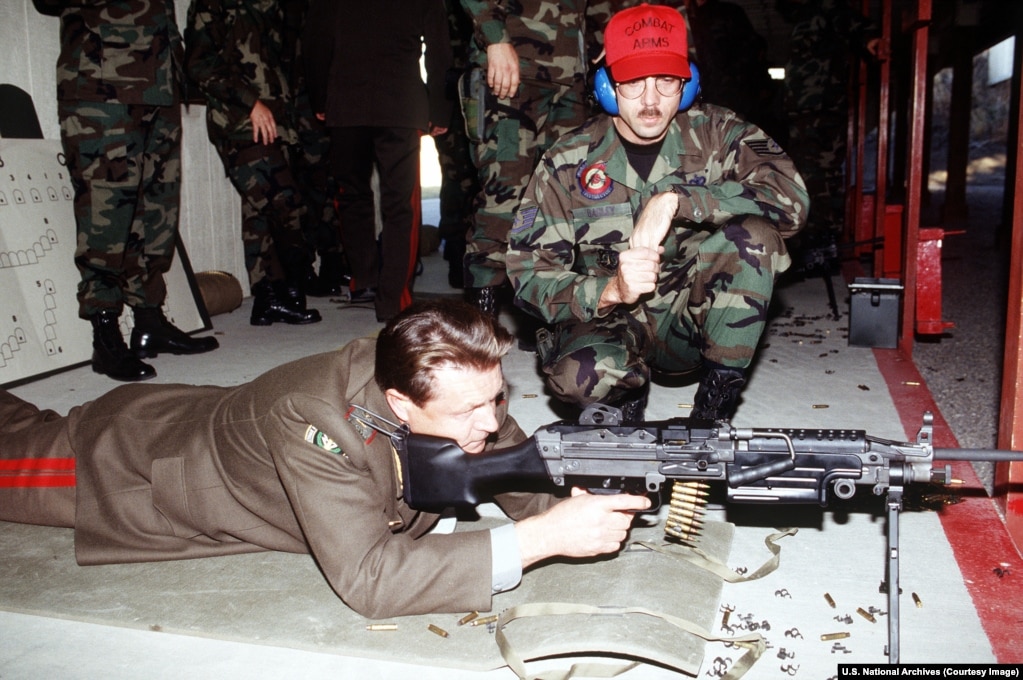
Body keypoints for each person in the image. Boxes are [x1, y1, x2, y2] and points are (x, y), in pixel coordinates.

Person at [0, 299, 648, 618]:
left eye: (497, 398)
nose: (493, 420)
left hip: (207, 415)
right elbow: (369, 580)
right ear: (398, 401)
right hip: (130, 465)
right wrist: (535, 539)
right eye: (470, 412)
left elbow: (508, 464)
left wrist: (570, 509)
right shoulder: (313, 421)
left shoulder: (458, 387)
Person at [505, 3, 809, 422]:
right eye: (633, 81)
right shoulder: (568, 160)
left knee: (754, 237)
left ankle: (713, 410)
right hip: (611, 322)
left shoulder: (719, 134)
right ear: (608, 86)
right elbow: (526, 275)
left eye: (666, 80)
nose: (651, 100)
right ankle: (623, 398)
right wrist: (611, 291)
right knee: (578, 377)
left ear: (687, 83)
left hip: (694, 321)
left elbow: (791, 201)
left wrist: (678, 200)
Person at [31, 0, 219, 382]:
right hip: (102, 83)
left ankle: (149, 320)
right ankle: (104, 332)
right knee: (106, 210)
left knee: (157, 210)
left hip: (161, 82)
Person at [459, 0, 613, 318]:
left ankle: (545, 311)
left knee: (569, 197)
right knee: (503, 196)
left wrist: (610, 34)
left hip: (571, 77)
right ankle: (479, 323)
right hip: (511, 71)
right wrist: (495, 37)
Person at [303, 0, 453, 323]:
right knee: (400, 205)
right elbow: (440, 48)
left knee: (351, 194)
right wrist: (440, 108)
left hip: (346, 104)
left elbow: (315, 41)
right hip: (399, 105)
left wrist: (319, 97)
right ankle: (393, 299)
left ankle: (366, 281)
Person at [186, 0, 322, 327]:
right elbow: (200, 62)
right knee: (284, 203)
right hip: (239, 122)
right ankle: (286, 287)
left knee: (259, 213)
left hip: (278, 124)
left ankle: (267, 299)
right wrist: (250, 104)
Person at [777, 0, 881, 273]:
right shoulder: (803, 16)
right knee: (808, 174)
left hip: (821, 104)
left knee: (819, 174)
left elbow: (847, 18)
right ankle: (816, 243)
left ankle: (822, 243)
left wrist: (870, 37)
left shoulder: (824, 7)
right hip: (803, 107)